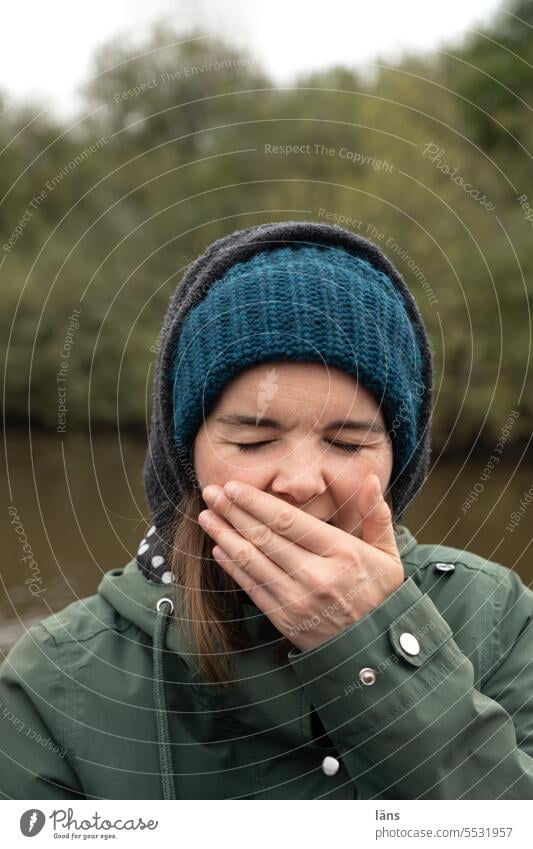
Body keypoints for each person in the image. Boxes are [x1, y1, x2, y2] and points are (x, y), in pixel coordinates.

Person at [1, 220, 532, 801]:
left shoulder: (499, 620)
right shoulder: (52, 681)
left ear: (398, 465)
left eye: (349, 442)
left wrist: (376, 652)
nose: (300, 483)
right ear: (186, 459)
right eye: (253, 441)